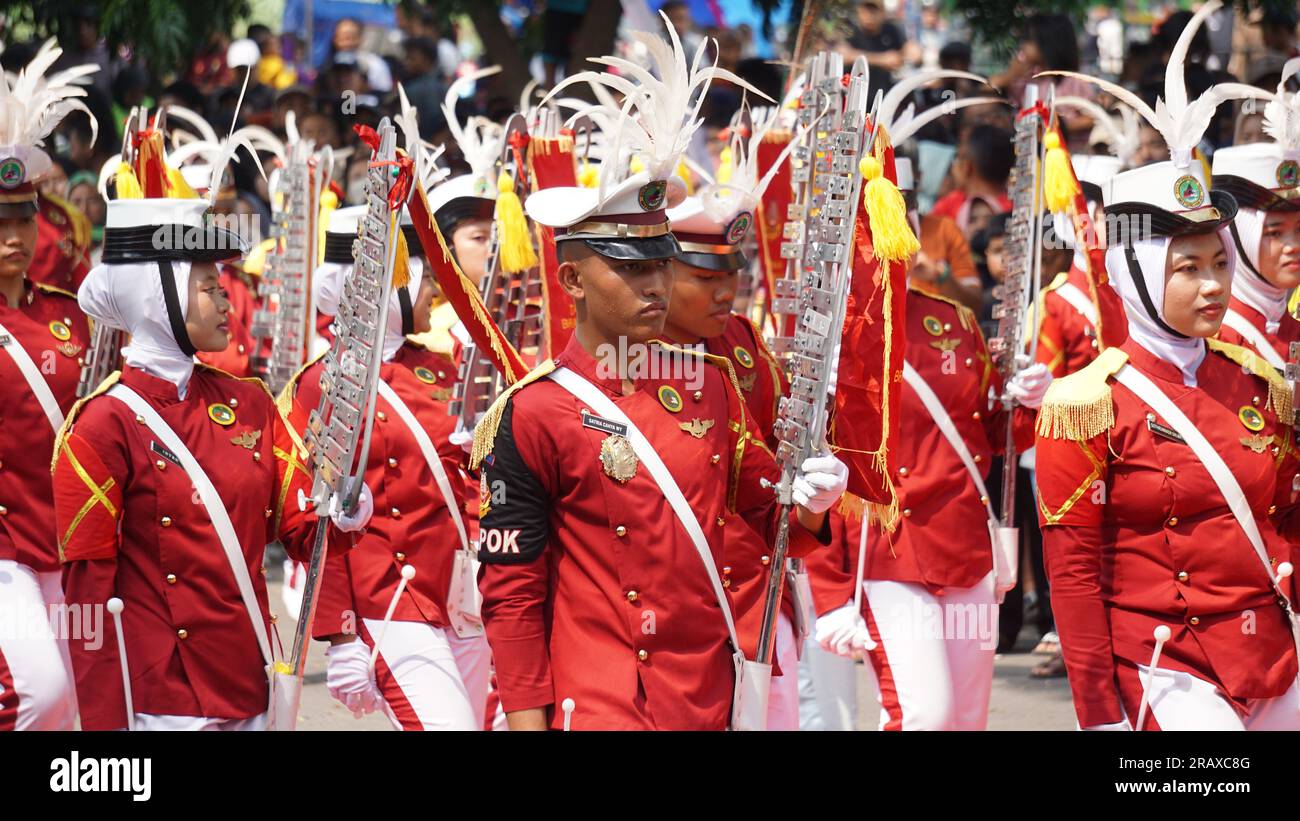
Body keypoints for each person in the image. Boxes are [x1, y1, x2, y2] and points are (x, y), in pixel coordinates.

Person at [473, 21, 849, 730]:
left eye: (660, 265)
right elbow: (513, 593)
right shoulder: (534, 411)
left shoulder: (709, 381)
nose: (655, 285)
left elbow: (765, 527)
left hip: (711, 691)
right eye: (630, 267)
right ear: (572, 280)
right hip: (607, 701)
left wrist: (811, 502)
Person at [55, 120, 369, 732]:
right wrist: (103, 729)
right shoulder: (101, 426)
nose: (226, 298)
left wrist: (342, 512)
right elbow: (87, 599)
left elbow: (300, 525)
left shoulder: (249, 402)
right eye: (206, 284)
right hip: (159, 698)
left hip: (250, 677)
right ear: (156, 294)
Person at [1035, 3, 1300, 730]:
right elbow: (1074, 576)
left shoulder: (1257, 383)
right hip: (1166, 670)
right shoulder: (1086, 404)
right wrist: (1098, 714)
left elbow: (1285, 518)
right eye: (1188, 267)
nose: (1213, 284)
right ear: (1140, 275)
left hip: (1269, 657)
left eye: (1220, 263)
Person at [806, 245, 1050, 731]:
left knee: (966, 717)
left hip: (965, 545)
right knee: (925, 716)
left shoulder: (954, 322)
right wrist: (832, 595)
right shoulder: (829, 331)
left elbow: (990, 435)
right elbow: (817, 478)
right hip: (889, 550)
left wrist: (1026, 401)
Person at [283, 205, 490, 730]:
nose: (433, 292)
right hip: (390, 600)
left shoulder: (444, 367)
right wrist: (341, 633)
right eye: (419, 276)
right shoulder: (322, 384)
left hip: (464, 595)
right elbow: (314, 522)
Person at [0, 42, 97, 730]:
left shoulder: (67, 314)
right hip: (3, 548)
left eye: (22, 218)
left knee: (80, 703)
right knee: (42, 690)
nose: (12, 234)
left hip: (67, 540)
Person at [1210, 129, 1300, 368]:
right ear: (1238, 235)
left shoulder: (1292, 326)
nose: (1294, 246)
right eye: (1274, 233)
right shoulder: (1214, 342)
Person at [929, 124, 1014, 238]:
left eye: (957, 158)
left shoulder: (947, 208)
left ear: (966, 166)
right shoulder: (1017, 207)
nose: (953, 167)